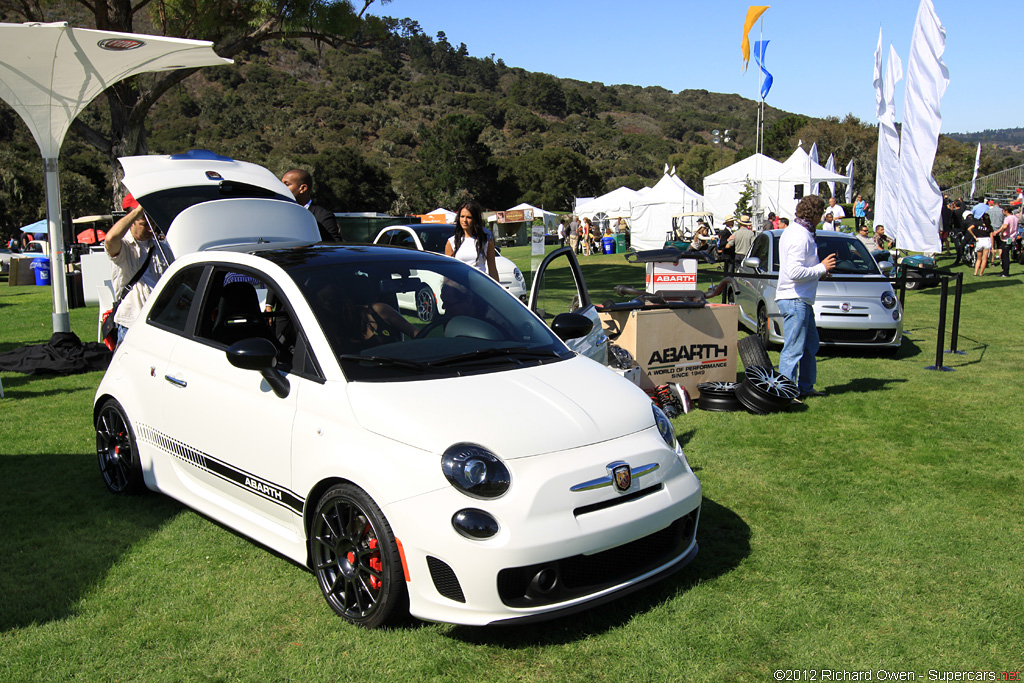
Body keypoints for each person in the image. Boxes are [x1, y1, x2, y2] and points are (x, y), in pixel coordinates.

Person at [775, 195, 836, 399]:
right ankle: (786, 394)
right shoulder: (800, 236)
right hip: (795, 298)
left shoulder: (798, 231)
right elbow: (794, 272)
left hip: (800, 298)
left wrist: (820, 272)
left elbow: (799, 269)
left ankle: (805, 388)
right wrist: (821, 268)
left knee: (810, 345)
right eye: (821, 214)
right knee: (793, 348)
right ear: (815, 214)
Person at [104, 194, 165, 344]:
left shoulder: (162, 248)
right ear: (132, 221)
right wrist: (139, 210)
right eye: (145, 223)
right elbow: (110, 239)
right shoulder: (124, 247)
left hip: (159, 323)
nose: (152, 229)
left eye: (153, 223)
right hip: (131, 324)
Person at [281, 169, 342, 242]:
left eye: (286, 184)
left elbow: (333, 248)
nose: (282, 188)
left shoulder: (323, 217)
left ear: (303, 188)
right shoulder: (279, 214)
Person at [446, 201, 499, 281]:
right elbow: (448, 272)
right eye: (462, 216)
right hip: (460, 287)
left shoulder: (486, 241)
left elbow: (493, 270)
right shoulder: (452, 242)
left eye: (469, 217)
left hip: (480, 286)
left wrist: (498, 291)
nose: (464, 220)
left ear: (475, 219)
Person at [997, 206, 1018, 277]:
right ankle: (1004, 270)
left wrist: (1002, 233)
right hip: (1012, 238)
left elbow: (1005, 226)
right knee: (1004, 254)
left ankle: (1005, 272)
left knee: (1005, 256)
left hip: (1006, 238)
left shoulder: (1007, 218)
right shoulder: (1015, 217)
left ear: (1006, 211)